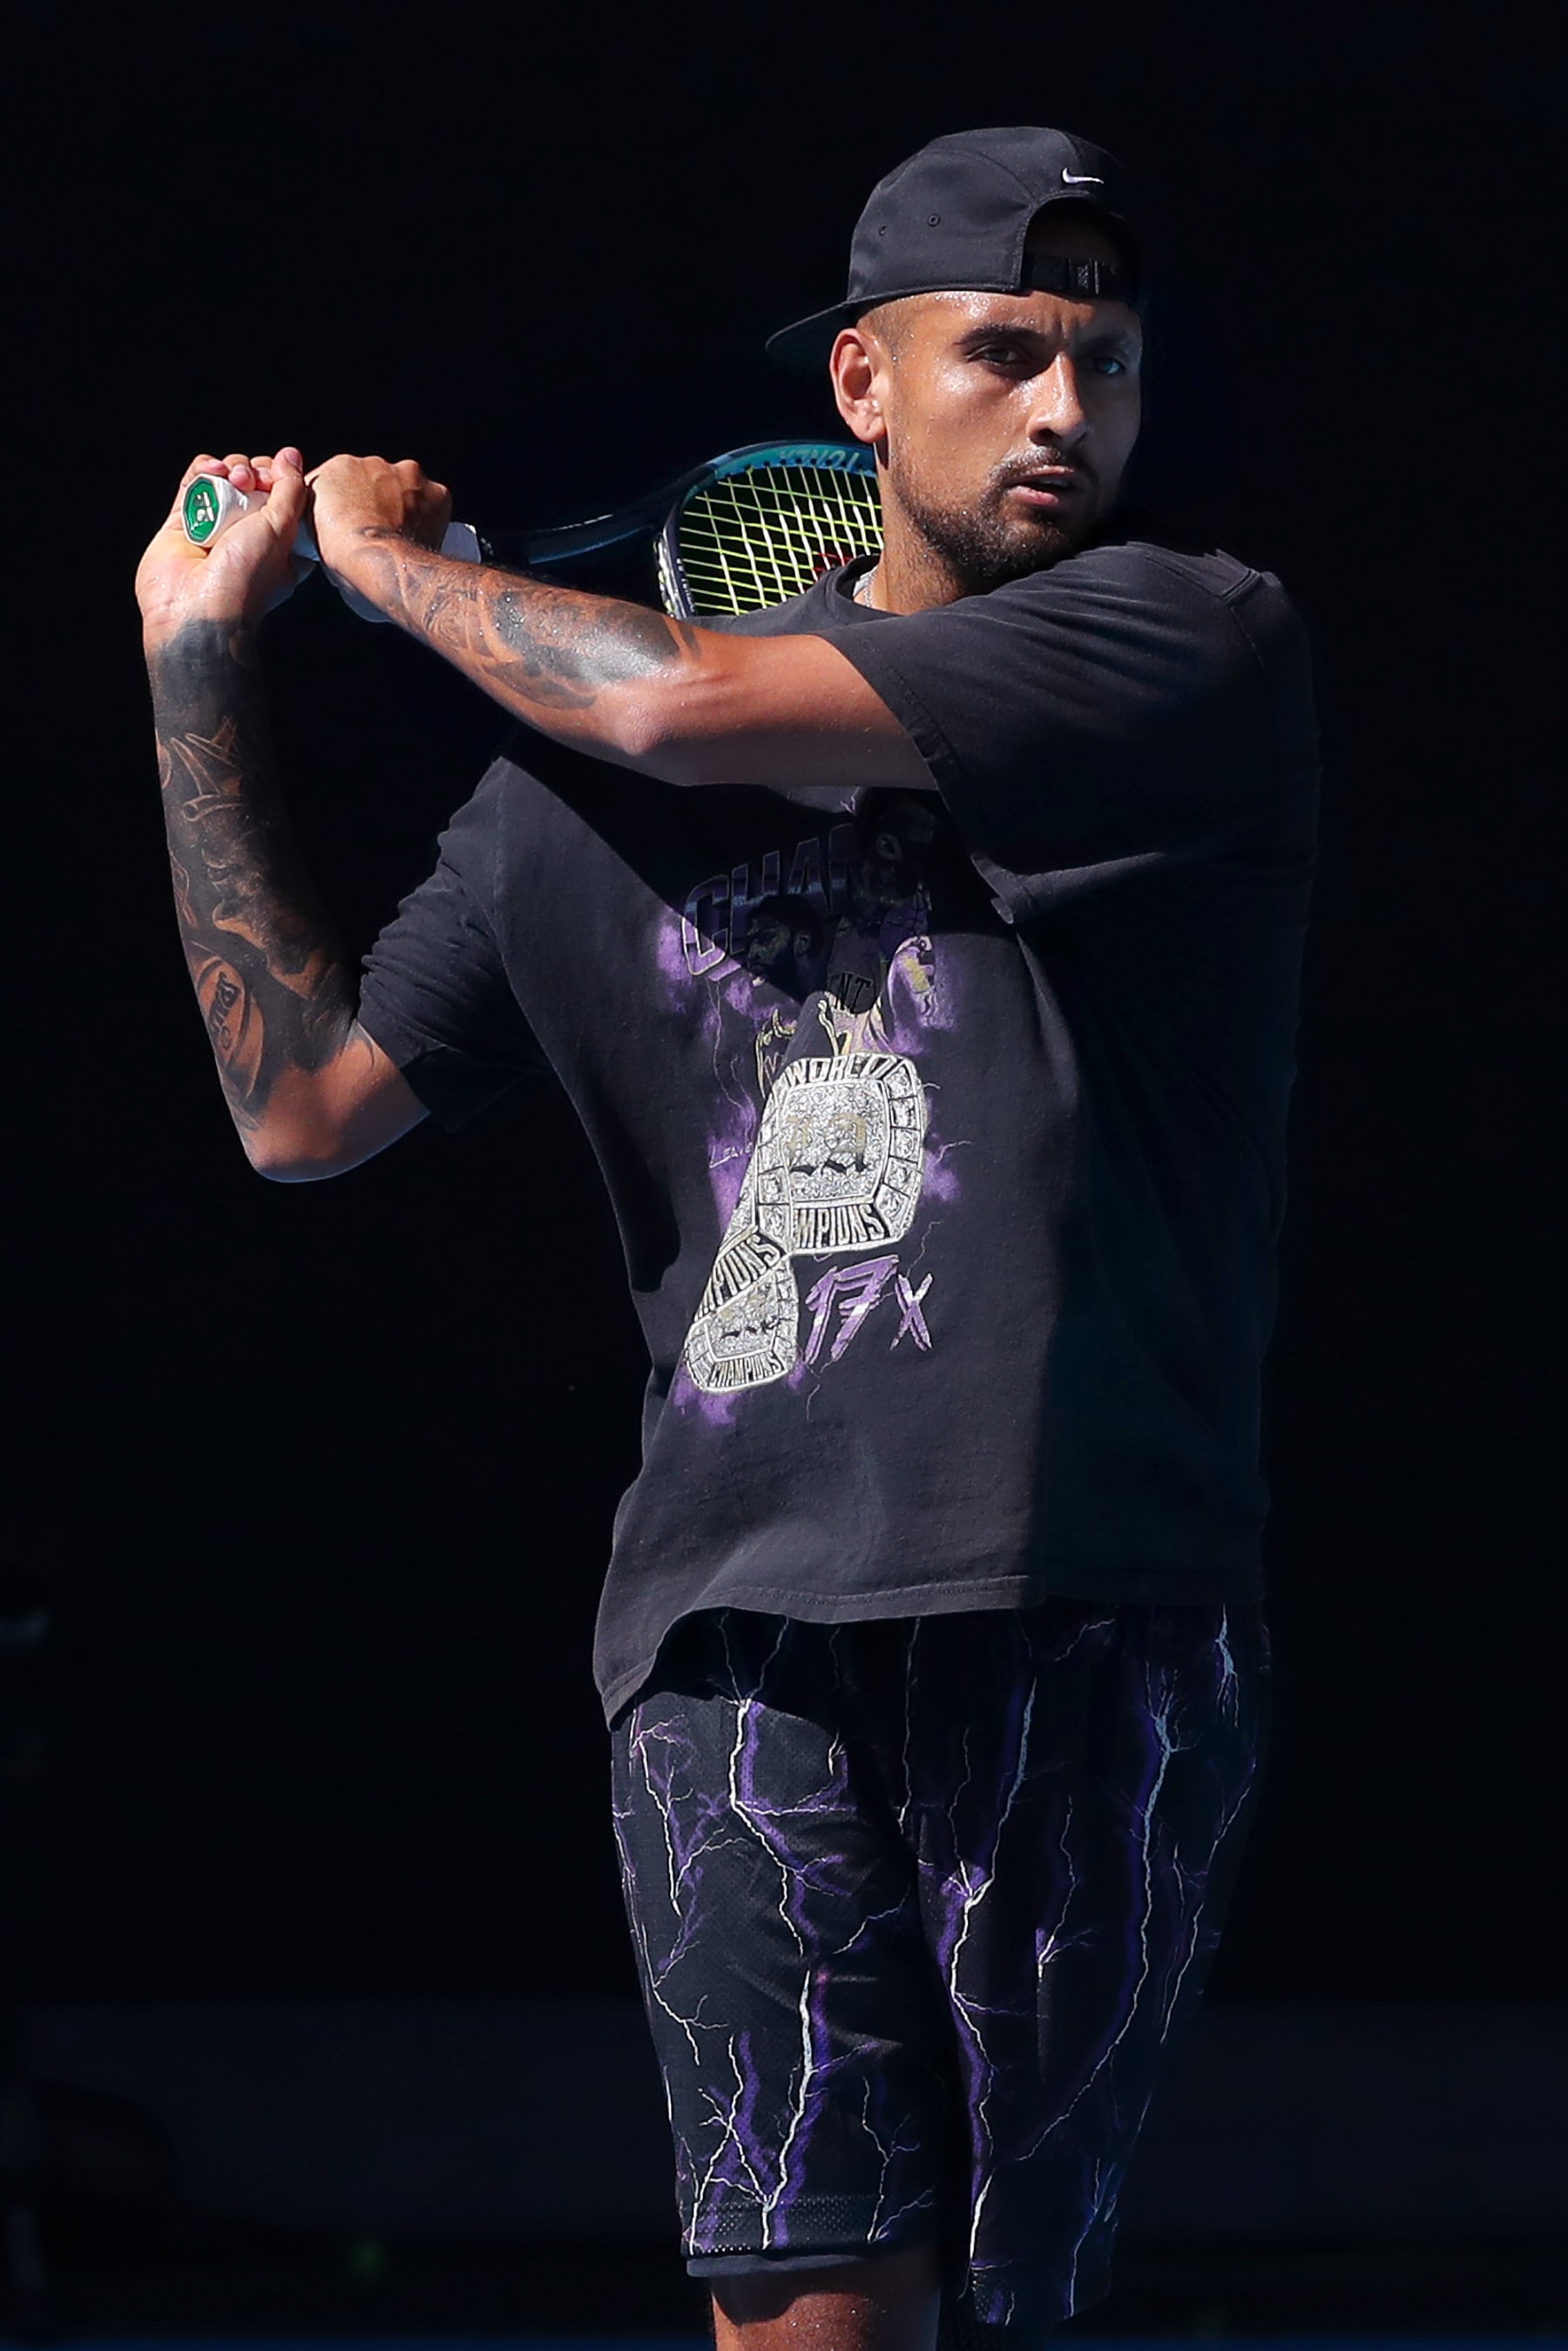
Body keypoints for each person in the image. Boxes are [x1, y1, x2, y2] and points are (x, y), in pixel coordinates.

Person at [135, 125, 1316, 2351]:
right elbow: (299, 1110)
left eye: (1110, 364)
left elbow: (679, 703)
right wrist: (199, 664)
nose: (1070, 411)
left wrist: (384, 574)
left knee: (1005, 2319)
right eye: (1009, 354)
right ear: (866, 385)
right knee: (807, 2325)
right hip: (732, 1639)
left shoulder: (1189, 644)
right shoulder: (559, 792)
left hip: (1089, 1609)